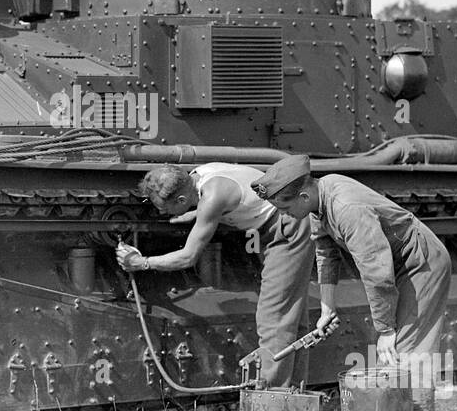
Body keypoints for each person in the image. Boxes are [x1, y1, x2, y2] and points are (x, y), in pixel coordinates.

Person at [251, 154, 451, 411]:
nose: (287, 216)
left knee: (410, 354)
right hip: (397, 266)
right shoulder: (318, 198)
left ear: (303, 195)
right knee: (395, 355)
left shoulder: (346, 208)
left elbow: (376, 271)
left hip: (421, 264)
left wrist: (385, 330)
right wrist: (328, 306)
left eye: (287, 208)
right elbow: (326, 252)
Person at [116, 163, 315, 388]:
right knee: (291, 316)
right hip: (282, 223)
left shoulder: (212, 196)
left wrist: (141, 263)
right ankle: (294, 393)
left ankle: (273, 401)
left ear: (181, 200)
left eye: (164, 208)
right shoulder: (199, 175)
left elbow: (188, 257)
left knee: (274, 318)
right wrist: (198, 213)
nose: (162, 213)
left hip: (288, 228)